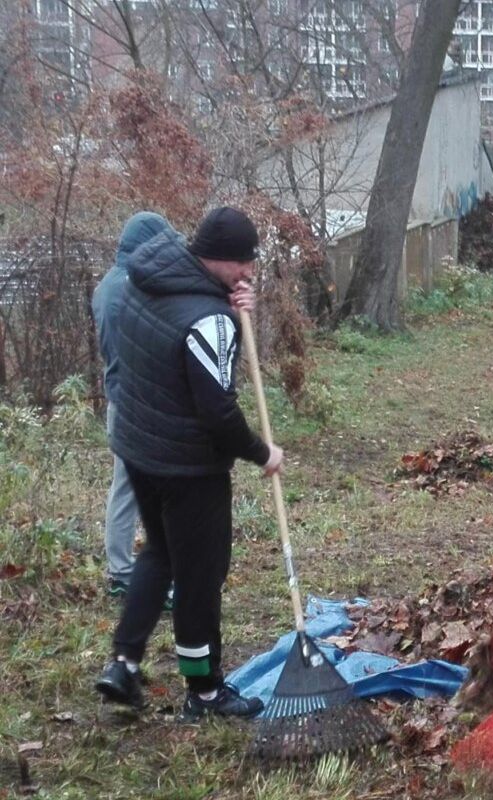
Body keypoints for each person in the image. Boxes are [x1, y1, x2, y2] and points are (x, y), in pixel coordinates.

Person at [94, 207, 283, 721]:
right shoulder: (210, 320)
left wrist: (229, 307)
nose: (248, 272)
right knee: (199, 576)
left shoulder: (145, 277)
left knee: (159, 552)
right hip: (187, 468)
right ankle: (205, 692)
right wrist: (262, 452)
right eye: (243, 263)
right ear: (218, 258)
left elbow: (172, 347)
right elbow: (218, 412)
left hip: (137, 447)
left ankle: (123, 664)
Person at [92, 212, 181, 597]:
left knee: (135, 487)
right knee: (132, 488)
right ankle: (123, 573)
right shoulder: (129, 289)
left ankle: (135, 569)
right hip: (136, 404)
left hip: (127, 400)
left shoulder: (110, 285)